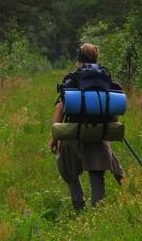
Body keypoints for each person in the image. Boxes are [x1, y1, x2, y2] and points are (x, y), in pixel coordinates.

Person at [50, 43, 125, 210]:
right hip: (98, 135)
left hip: (74, 133)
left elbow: (60, 107)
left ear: (79, 59)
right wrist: (106, 130)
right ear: (96, 58)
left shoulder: (73, 78)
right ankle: (99, 210)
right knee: (97, 174)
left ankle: (79, 206)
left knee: (69, 171)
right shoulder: (107, 79)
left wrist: (54, 138)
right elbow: (114, 109)